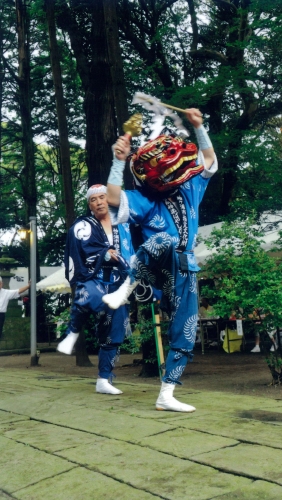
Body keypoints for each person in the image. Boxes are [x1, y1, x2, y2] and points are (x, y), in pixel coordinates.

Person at [104, 108, 217, 412]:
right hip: (153, 268)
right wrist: (118, 160)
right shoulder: (145, 200)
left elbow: (209, 163)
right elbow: (113, 197)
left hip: (185, 268)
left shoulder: (191, 187)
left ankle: (166, 393)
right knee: (164, 240)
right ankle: (125, 289)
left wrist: (198, 126)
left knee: (188, 327)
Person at [57, 184, 135, 395]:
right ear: (90, 205)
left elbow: (130, 253)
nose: (99, 202)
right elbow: (79, 252)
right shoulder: (83, 225)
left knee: (113, 331)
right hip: (94, 278)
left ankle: (103, 379)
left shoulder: (123, 225)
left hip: (118, 284)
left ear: (109, 200)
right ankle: (71, 333)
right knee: (88, 296)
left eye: (102, 197)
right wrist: (103, 255)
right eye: (94, 199)